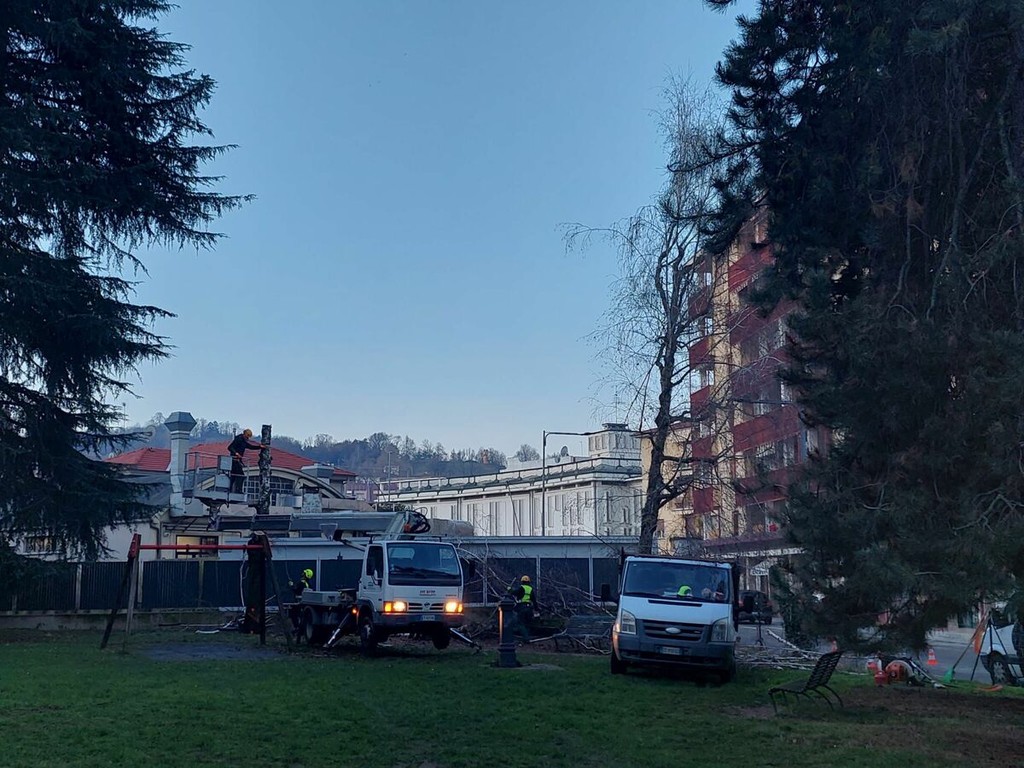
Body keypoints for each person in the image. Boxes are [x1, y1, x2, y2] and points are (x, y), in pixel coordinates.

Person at [227, 428, 265, 494]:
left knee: (233, 476)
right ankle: (238, 490)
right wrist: (236, 453)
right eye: (247, 436)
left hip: (236, 460)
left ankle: (229, 489)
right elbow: (230, 447)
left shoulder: (243, 441)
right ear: (244, 434)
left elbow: (250, 446)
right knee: (241, 476)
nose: (248, 438)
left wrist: (259, 447)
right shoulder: (238, 439)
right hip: (234, 460)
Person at [507, 575, 535, 642]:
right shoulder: (530, 589)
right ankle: (527, 636)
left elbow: (514, 593)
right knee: (527, 623)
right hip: (529, 608)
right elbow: (534, 600)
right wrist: (536, 609)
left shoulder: (521, 588)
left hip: (522, 608)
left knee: (520, 623)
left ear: (522, 581)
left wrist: (509, 589)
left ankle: (526, 638)